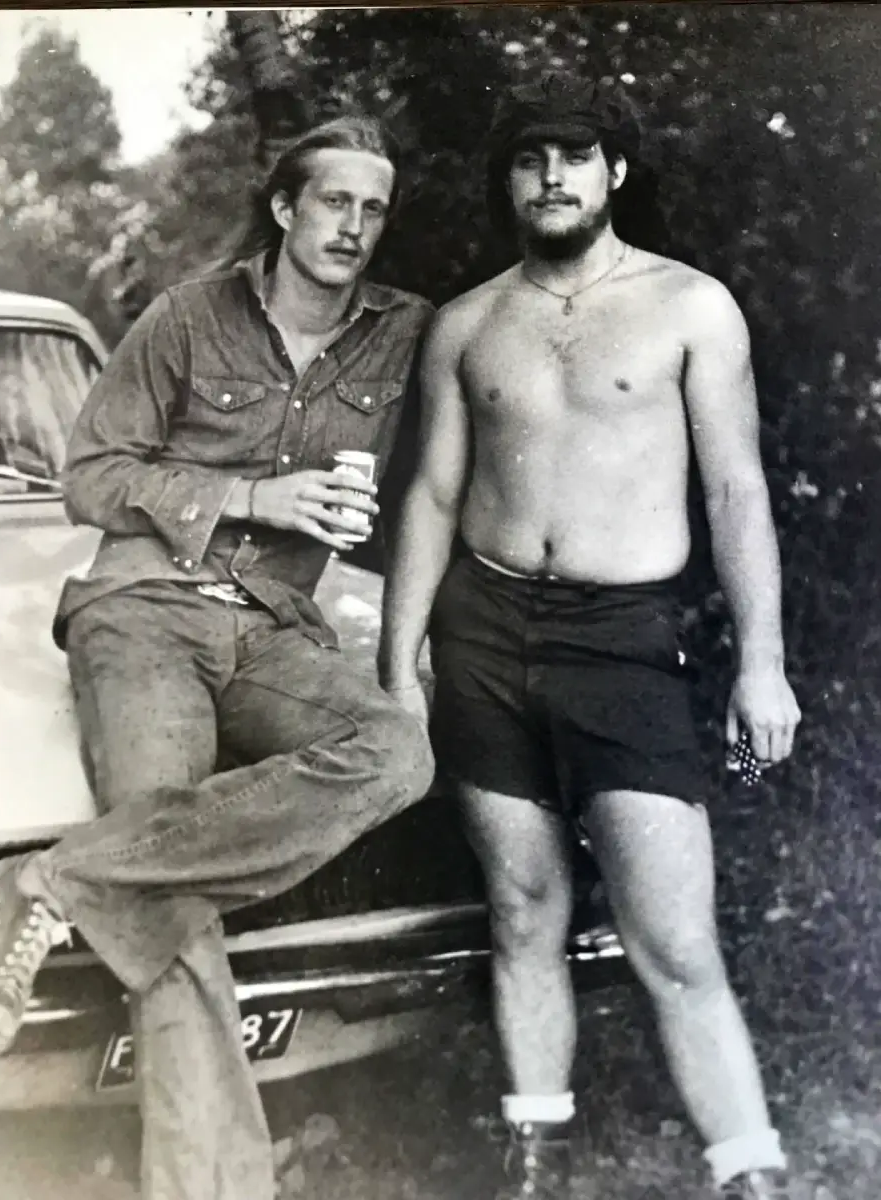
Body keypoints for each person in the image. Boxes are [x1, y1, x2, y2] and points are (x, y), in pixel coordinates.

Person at [0, 114, 435, 1200]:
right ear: (285, 207)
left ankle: (55, 878)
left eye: (374, 210)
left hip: (272, 624)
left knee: (396, 752)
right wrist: (251, 497)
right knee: (172, 905)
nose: (354, 226)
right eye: (335, 201)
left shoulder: (406, 332)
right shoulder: (188, 316)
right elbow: (89, 476)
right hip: (143, 605)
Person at [378, 76, 804, 1200]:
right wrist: (398, 660)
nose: (552, 177)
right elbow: (431, 495)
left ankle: (750, 1173)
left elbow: (737, 490)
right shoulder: (467, 323)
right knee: (523, 910)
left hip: (622, 638)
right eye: (530, 159)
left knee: (675, 940)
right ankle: (538, 1163)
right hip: (482, 632)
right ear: (509, 180)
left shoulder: (692, 307)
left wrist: (762, 663)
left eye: (574, 155)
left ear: (615, 170)